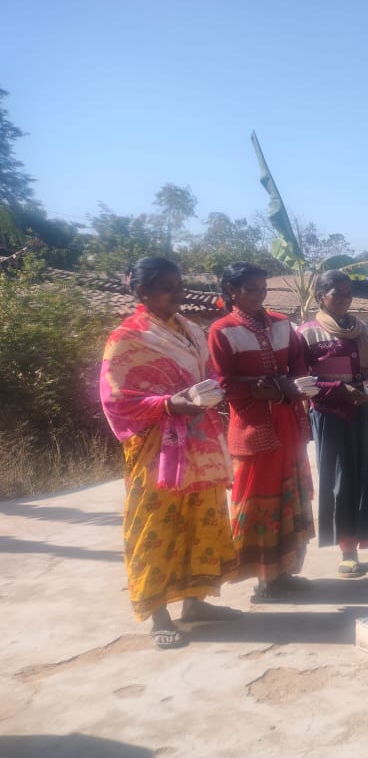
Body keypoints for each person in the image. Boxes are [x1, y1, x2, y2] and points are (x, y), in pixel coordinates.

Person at [100, 257, 239, 648]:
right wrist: (168, 404)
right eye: (169, 287)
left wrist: (211, 390)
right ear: (143, 292)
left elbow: (207, 373)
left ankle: (195, 602)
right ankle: (158, 613)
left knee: (202, 518)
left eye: (180, 285)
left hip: (200, 441)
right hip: (157, 448)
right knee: (155, 526)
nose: (179, 293)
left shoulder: (191, 331)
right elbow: (115, 398)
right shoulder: (126, 338)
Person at [208, 262, 315, 602]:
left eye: (263, 289)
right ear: (232, 291)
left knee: (290, 497)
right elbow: (224, 385)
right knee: (258, 501)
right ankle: (264, 579)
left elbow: (300, 364)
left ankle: (284, 572)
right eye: (251, 290)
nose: (259, 295)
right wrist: (258, 388)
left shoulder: (282, 323)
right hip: (254, 428)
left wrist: (287, 387)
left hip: (288, 421)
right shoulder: (222, 330)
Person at [299, 269, 368, 577]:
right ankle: (348, 550)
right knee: (342, 483)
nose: (345, 298)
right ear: (320, 296)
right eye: (337, 293)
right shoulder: (308, 334)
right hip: (332, 416)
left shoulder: (360, 329)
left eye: (349, 293)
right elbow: (301, 381)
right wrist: (339, 390)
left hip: (365, 413)